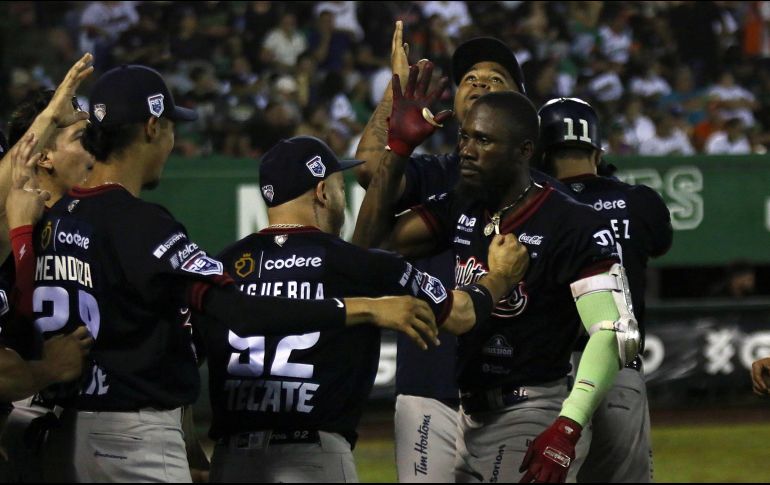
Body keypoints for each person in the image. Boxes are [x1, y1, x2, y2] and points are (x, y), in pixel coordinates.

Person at [30, 63, 440, 482]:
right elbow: (240, 312)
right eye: (172, 128)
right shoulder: (141, 222)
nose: (172, 141)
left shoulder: (54, 217)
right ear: (153, 127)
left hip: (65, 433)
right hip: (131, 437)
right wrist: (368, 309)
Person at [355, 65, 635, 483]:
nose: (466, 150)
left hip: (531, 412)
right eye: (465, 137)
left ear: (524, 150)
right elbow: (368, 251)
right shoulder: (465, 202)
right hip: (469, 414)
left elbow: (612, 332)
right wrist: (397, 149)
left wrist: (567, 426)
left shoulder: (571, 220)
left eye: (483, 140)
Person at [204, 135, 527, 483]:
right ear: (322, 192)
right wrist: (501, 277)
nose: (342, 197)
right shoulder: (360, 265)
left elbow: (178, 358)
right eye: (339, 186)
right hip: (311, 458)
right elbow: (462, 315)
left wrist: (192, 449)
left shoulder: (220, 267)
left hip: (230, 461)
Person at [354, 23, 531, 482]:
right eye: (470, 78)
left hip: (515, 389)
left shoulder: (543, 193)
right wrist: (395, 94)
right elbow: (369, 169)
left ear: (520, 106)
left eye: (496, 79)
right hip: (429, 382)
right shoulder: (434, 174)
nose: (480, 83)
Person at [537, 97, 673, 483]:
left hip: (551, 374)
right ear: (597, 151)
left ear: (542, 153)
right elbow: (660, 243)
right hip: (620, 364)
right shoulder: (639, 201)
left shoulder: (536, 206)